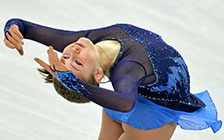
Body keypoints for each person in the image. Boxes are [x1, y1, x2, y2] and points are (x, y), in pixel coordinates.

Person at [3, 18, 222, 140]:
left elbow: (26, 27)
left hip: (122, 101)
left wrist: (12, 29)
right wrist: (73, 83)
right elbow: (127, 103)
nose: (73, 52)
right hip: (149, 116)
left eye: (66, 56)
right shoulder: (127, 70)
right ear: (99, 74)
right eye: (78, 63)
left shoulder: (90, 42)